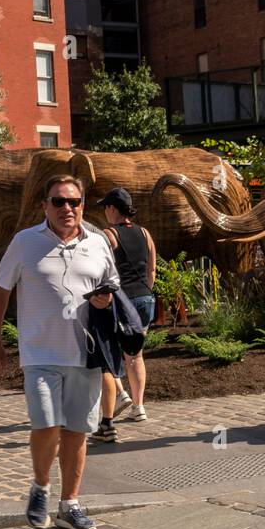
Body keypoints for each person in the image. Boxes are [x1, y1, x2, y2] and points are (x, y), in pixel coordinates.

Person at [0, 175, 120, 529]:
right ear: (44, 206)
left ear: (82, 205)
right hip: (39, 353)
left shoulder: (97, 243)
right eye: (58, 201)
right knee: (45, 423)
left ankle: (69, 505)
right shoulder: (25, 242)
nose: (67, 208)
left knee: (77, 431)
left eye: (74, 202)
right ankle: (41, 486)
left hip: (85, 353)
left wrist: (104, 299)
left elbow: (113, 286)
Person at [91, 187, 156, 444]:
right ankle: (138, 406)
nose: (105, 211)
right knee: (136, 354)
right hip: (144, 297)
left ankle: (120, 394)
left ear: (113, 209)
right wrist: (147, 289)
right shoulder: (145, 233)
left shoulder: (109, 234)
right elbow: (151, 266)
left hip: (122, 299)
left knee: (112, 352)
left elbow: (100, 266)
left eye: (106, 207)